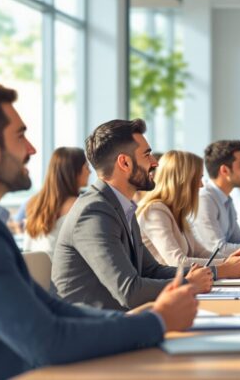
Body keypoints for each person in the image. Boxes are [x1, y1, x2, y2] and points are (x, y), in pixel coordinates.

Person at [0, 83, 197, 378]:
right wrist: (158, 322)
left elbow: (51, 308)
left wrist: (154, 319)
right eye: (20, 136)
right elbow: (46, 340)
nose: (32, 149)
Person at [52, 119, 213, 311]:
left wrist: (209, 273)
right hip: (92, 330)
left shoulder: (121, 206)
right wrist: (189, 283)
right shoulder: (94, 212)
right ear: (125, 162)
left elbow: (151, 270)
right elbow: (129, 291)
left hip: (117, 320)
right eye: (147, 155)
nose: (155, 163)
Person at [137, 150, 240, 279]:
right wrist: (225, 264)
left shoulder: (176, 211)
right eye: (199, 178)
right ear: (183, 180)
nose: (202, 184)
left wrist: (230, 260)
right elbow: (178, 262)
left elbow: (200, 252)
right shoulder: (155, 212)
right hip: (165, 290)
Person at [23, 147, 90, 257]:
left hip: (35, 272)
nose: (90, 172)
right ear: (74, 172)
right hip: (63, 272)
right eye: (86, 167)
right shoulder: (80, 205)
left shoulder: (33, 204)